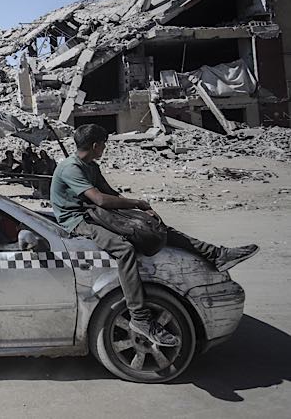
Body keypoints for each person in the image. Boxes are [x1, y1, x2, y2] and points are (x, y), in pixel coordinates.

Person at [50, 124, 259, 347]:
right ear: (95, 145)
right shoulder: (71, 168)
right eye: (103, 144)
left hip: (94, 211)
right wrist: (138, 203)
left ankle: (216, 254)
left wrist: (141, 212)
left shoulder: (91, 166)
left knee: (153, 227)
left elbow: (110, 194)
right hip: (77, 219)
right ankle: (140, 318)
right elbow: (100, 199)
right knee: (124, 250)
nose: (104, 148)